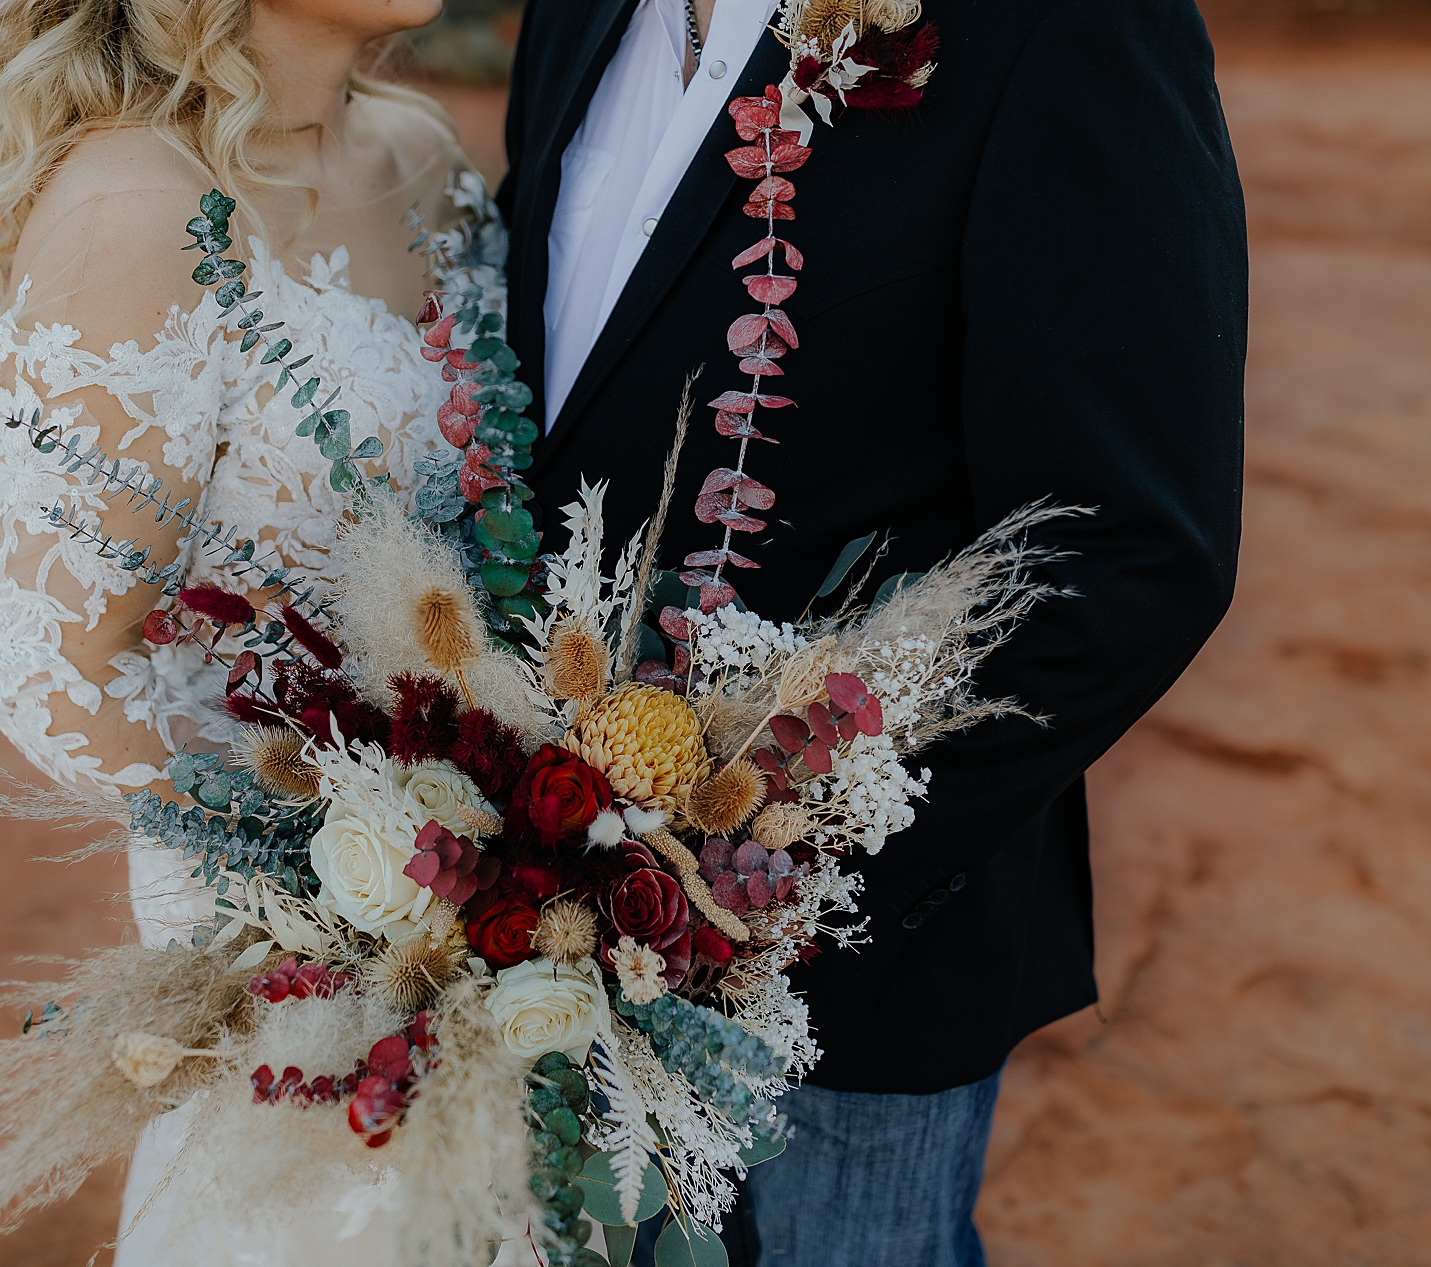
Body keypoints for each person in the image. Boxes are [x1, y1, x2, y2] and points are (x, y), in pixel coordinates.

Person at [499, 0, 1246, 1263]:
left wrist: (766, 874)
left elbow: (1125, 544)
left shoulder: (1066, 29)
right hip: (523, 904)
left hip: (846, 981)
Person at [0, 0, 490, 1261]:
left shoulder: (423, 154)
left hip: (511, 902)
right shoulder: (139, 203)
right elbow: (55, 665)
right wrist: (348, 867)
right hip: (296, 948)